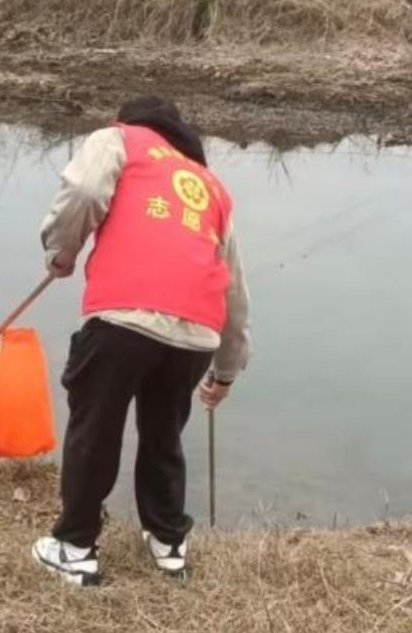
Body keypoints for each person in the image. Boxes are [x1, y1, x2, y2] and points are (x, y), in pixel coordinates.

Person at [31, 96, 250, 586]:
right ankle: (169, 543)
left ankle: (74, 547)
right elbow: (234, 285)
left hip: (123, 315)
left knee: (96, 428)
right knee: (163, 431)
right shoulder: (210, 185)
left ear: (131, 119)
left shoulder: (119, 138)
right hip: (196, 333)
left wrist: (62, 251)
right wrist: (226, 369)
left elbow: (85, 189)